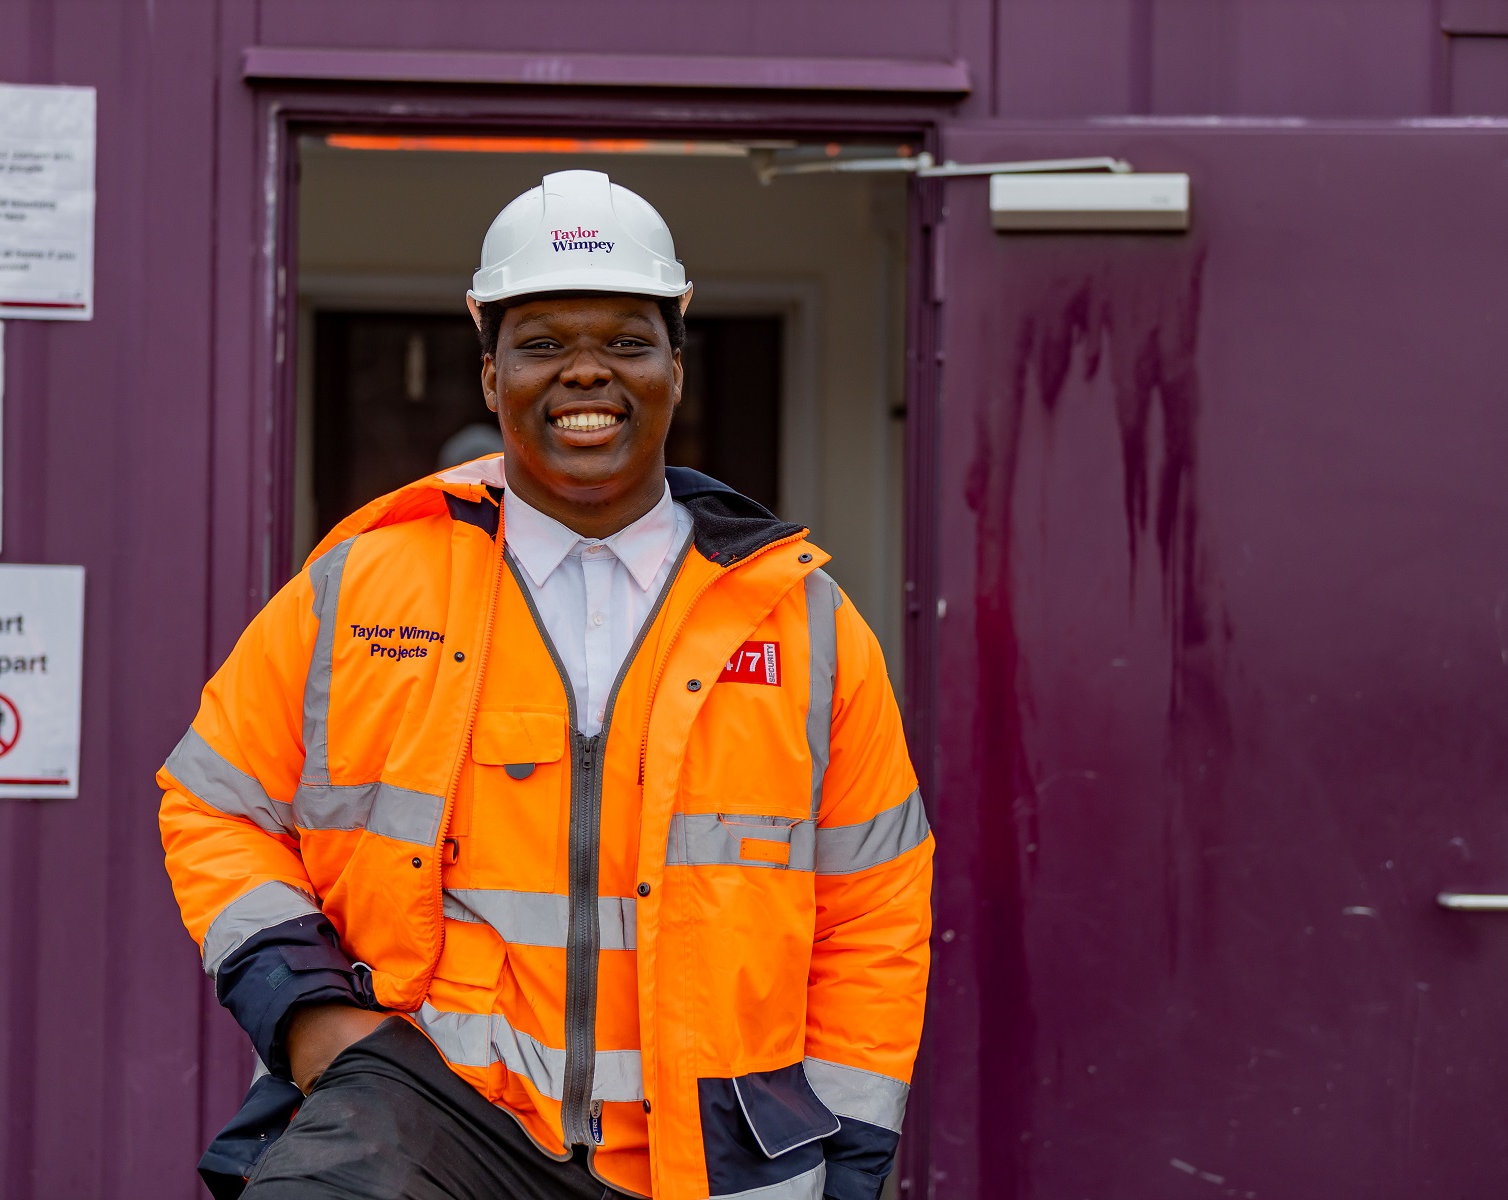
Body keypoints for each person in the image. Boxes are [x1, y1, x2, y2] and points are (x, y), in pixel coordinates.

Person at [159, 169, 932, 1200]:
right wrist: (308, 1014)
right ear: (489, 377)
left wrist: (846, 1165)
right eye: (542, 344)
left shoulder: (806, 623)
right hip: (424, 1129)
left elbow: (874, 911)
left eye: (624, 342)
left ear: (674, 368)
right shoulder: (362, 587)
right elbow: (215, 803)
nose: (585, 375)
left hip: (715, 1167)